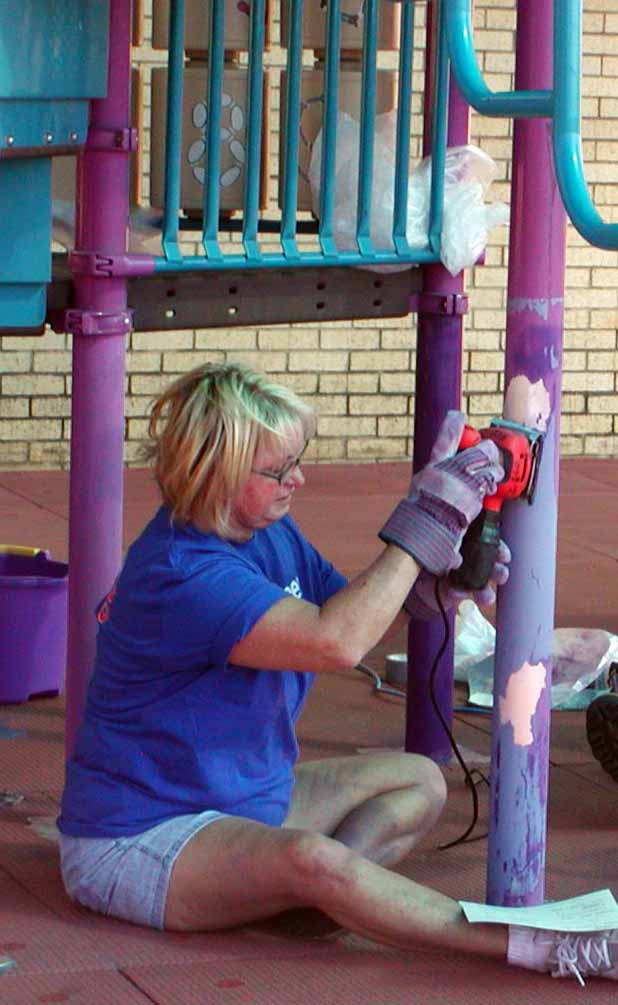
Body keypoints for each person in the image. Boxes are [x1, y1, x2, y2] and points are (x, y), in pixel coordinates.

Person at [57, 362, 617, 985]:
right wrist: (424, 523)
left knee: (419, 780)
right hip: (140, 839)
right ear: (210, 473)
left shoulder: (268, 529)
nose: (297, 478)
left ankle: (306, 891)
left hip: (241, 801)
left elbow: (357, 610)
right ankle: (543, 946)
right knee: (313, 858)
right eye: (276, 469)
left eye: (298, 458)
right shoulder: (181, 572)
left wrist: (440, 586)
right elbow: (338, 641)